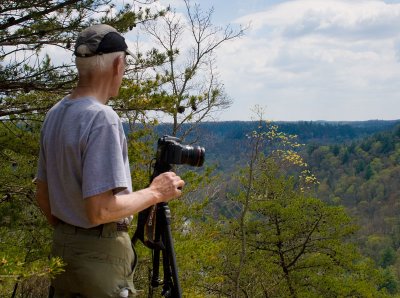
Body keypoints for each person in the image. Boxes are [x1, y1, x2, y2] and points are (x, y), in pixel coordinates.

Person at [35, 24, 185, 297]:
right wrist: (155, 192)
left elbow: (43, 194)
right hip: (100, 256)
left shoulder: (55, 114)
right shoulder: (101, 118)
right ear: (118, 64)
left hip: (63, 250)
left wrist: (71, 232)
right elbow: (100, 210)